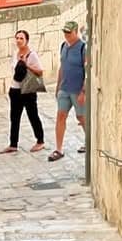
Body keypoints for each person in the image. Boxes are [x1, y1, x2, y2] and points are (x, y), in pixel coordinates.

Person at [0, 28, 45, 153]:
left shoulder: (32, 55)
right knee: (14, 117)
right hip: (15, 89)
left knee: (33, 116)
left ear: (26, 41)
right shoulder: (15, 53)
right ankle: (13, 144)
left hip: (28, 91)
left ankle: (40, 141)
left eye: (21, 38)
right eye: (17, 38)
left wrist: (27, 65)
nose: (19, 40)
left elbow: (40, 72)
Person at [50, 19, 87, 160]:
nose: (66, 35)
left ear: (75, 32)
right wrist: (58, 86)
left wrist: (83, 92)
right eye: (65, 32)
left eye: (69, 32)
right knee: (60, 116)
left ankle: (89, 141)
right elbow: (62, 67)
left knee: (81, 117)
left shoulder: (83, 48)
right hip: (64, 89)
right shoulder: (63, 46)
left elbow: (86, 71)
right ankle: (58, 149)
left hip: (77, 90)